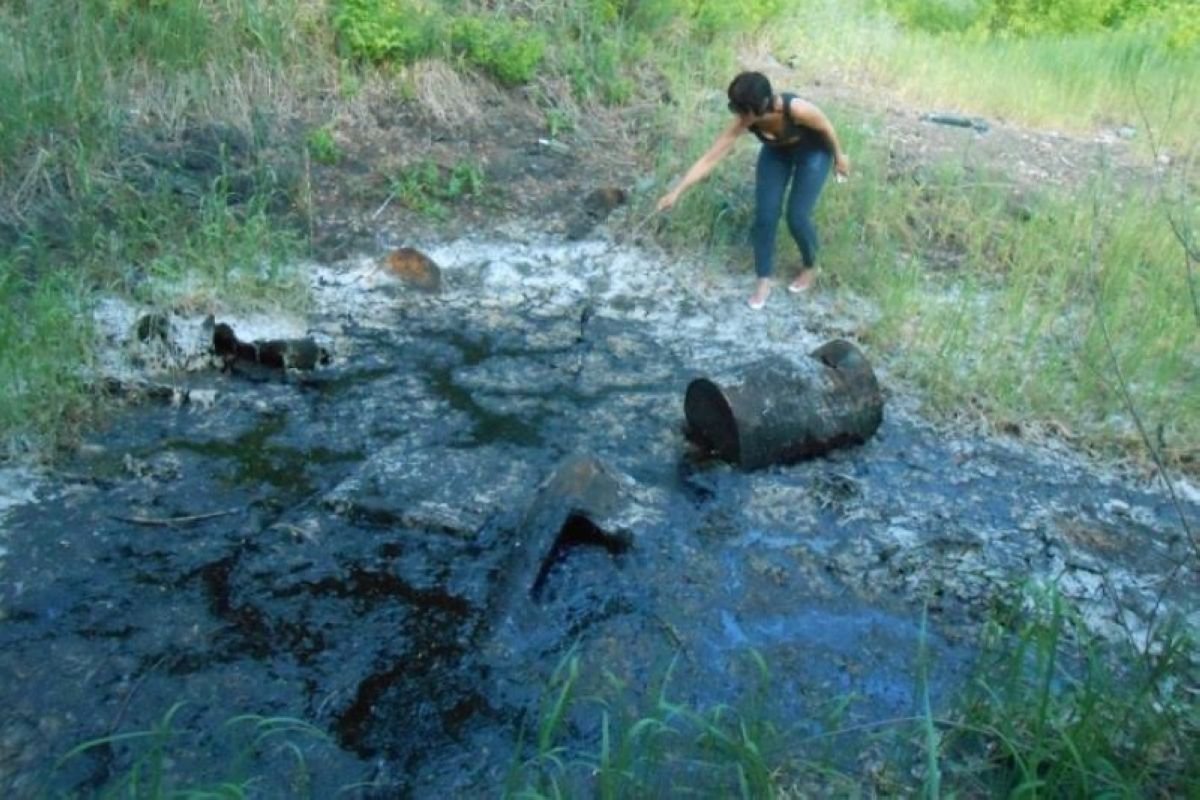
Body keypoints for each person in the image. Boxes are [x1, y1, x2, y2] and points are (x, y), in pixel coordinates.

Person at [656, 71, 850, 310]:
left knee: (797, 216)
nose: (735, 114)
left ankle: (811, 266)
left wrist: (840, 157)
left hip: (813, 153)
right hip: (776, 153)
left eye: (738, 109)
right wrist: (677, 191)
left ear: (756, 108)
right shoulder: (744, 121)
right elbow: (710, 159)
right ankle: (763, 279)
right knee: (765, 215)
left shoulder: (797, 109)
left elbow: (826, 127)